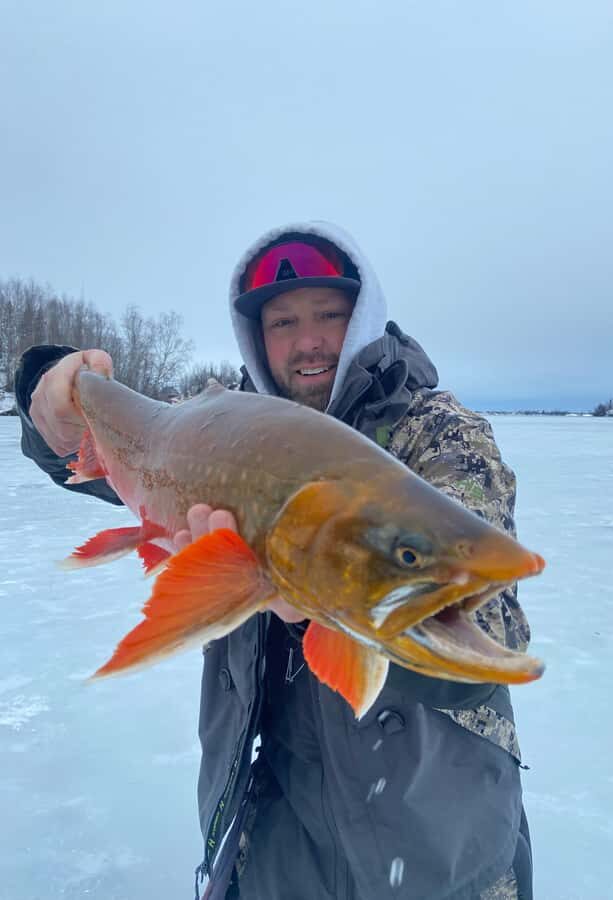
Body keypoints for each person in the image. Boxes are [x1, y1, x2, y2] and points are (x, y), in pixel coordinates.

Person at [15, 221, 534, 900]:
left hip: (435, 839)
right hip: (273, 826)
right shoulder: (215, 427)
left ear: (365, 317)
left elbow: (487, 635)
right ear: (254, 337)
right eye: (282, 321)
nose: (308, 339)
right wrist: (50, 388)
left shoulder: (441, 434)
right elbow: (104, 447)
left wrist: (312, 596)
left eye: (329, 314)